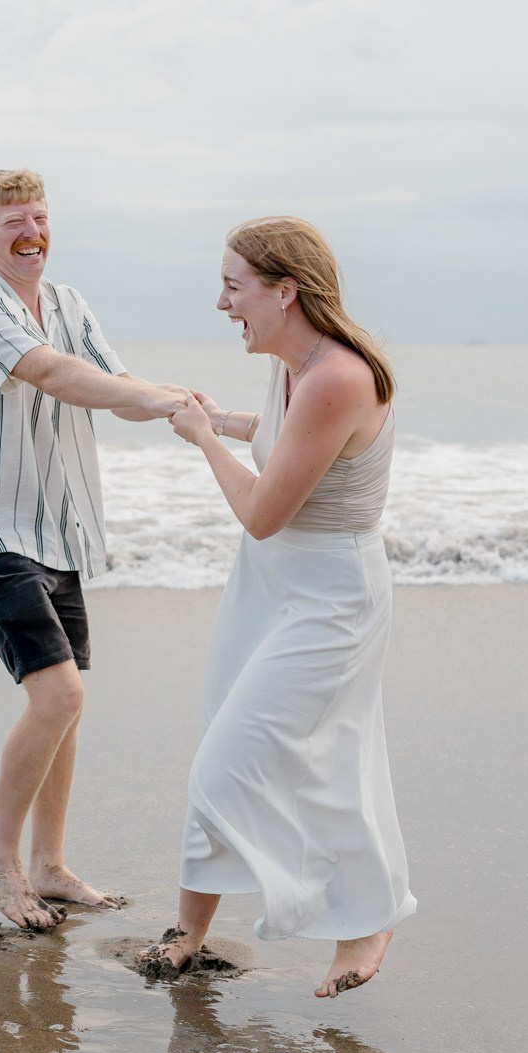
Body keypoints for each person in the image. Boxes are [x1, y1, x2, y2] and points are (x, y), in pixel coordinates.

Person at [142, 215, 415, 998]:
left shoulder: (338, 374)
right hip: (269, 586)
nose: (222, 303)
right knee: (218, 746)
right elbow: (296, 439)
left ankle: (368, 915)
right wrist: (229, 420)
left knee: (240, 766)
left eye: (234, 286)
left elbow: (264, 511)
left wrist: (204, 441)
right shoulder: (297, 365)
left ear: (284, 290)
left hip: (330, 595)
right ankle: (189, 929)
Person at [0, 168, 190, 931]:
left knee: (66, 707)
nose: (29, 232)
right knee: (61, 695)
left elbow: (116, 383)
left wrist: (220, 417)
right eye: (11, 220)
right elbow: (52, 373)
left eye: (39, 217)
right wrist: (147, 397)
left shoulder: (70, 303)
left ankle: (48, 864)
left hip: (57, 530)